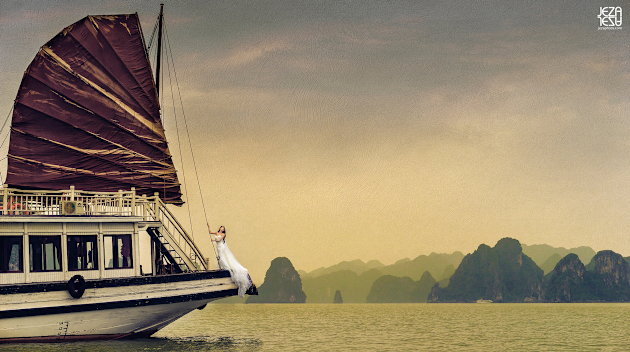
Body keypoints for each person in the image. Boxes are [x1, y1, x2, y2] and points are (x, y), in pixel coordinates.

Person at [208, 225, 253, 297]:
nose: (223, 229)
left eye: (224, 228)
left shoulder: (223, 234)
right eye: (222, 228)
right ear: (220, 228)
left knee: (222, 258)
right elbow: (210, 232)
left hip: (221, 247)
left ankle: (225, 267)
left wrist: (214, 240)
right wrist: (208, 226)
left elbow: (219, 240)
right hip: (218, 247)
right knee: (220, 257)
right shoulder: (217, 233)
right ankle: (221, 266)